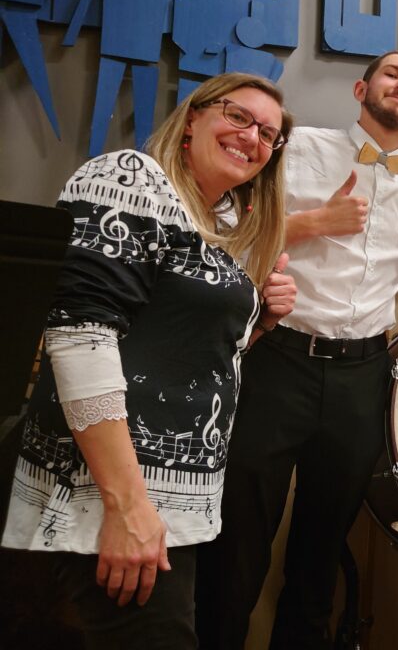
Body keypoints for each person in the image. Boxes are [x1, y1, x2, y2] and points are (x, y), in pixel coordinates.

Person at [1, 72, 297, 648]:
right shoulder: (129, 178)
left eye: (268, 133)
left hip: (170, 509)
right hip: (104, 498)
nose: (252, 136)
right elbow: (79, 333)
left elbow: (195, 360)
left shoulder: (222, 225)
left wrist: (259, 323)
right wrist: (127, 504)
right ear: (192, 119)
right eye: (238, 116)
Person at [198, 50, 398, 649]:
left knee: (323, 549)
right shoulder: (295, 149)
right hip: (279, 359)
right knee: (240, 539)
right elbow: (224, 232)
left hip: (362, 376)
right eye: (392, 75)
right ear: (361, 88)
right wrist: (310, 223)